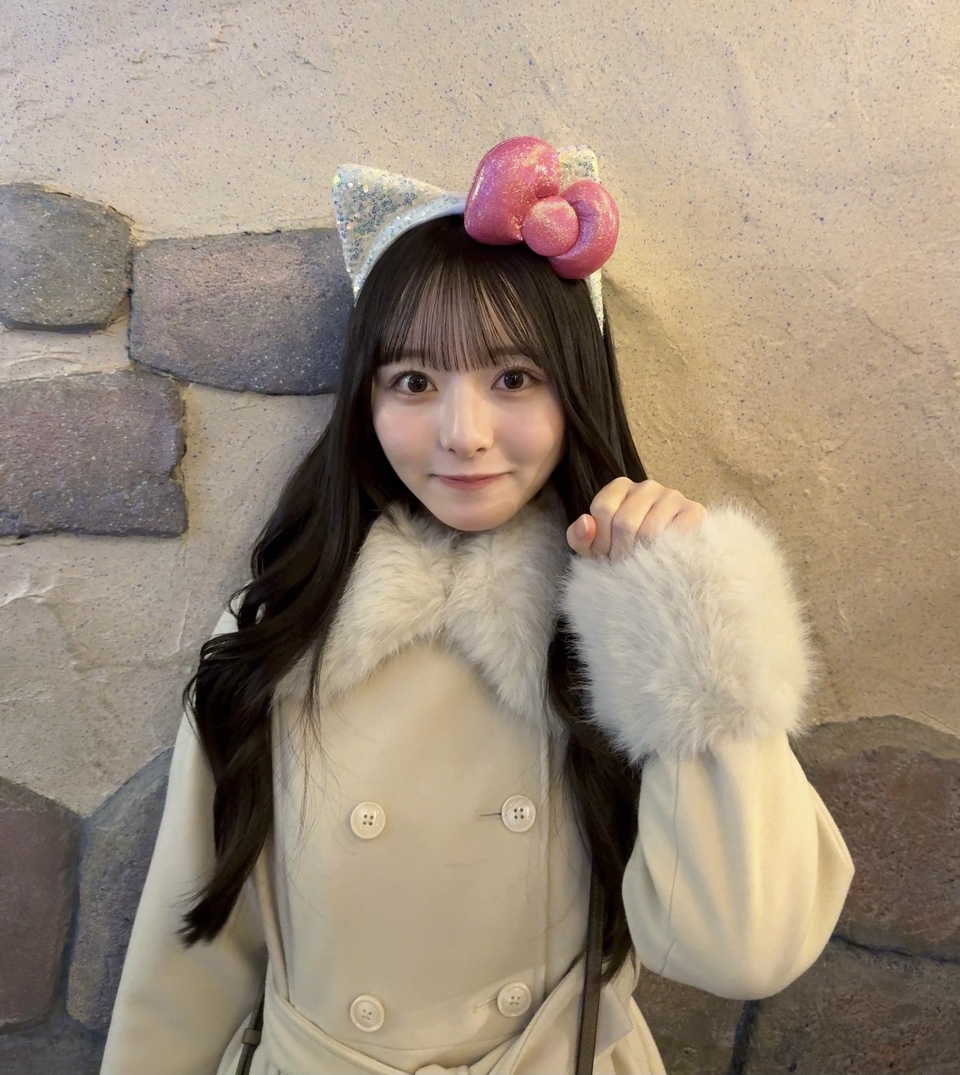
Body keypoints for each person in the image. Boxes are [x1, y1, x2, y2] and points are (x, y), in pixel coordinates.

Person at [100, 137, 854, 1075]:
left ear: (575, 390)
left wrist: (688, 610)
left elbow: (743, 950)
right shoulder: (279, 632)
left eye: (513, 378)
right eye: (414, 382)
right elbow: (192, 954)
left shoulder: (629, 629)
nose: (464, 434)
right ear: (367, 402)